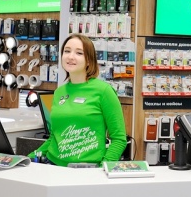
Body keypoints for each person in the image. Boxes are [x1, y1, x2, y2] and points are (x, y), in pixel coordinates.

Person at [30, 34, 127, 166]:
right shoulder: (59, 92)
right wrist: (28, 158)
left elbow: (119, 139)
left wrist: (102, 169)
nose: (71, 57)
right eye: (67, 51)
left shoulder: (104, 91)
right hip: (53, 166)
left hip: (87, 169)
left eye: (79, 53)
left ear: (89, 60)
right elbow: (54, 137)